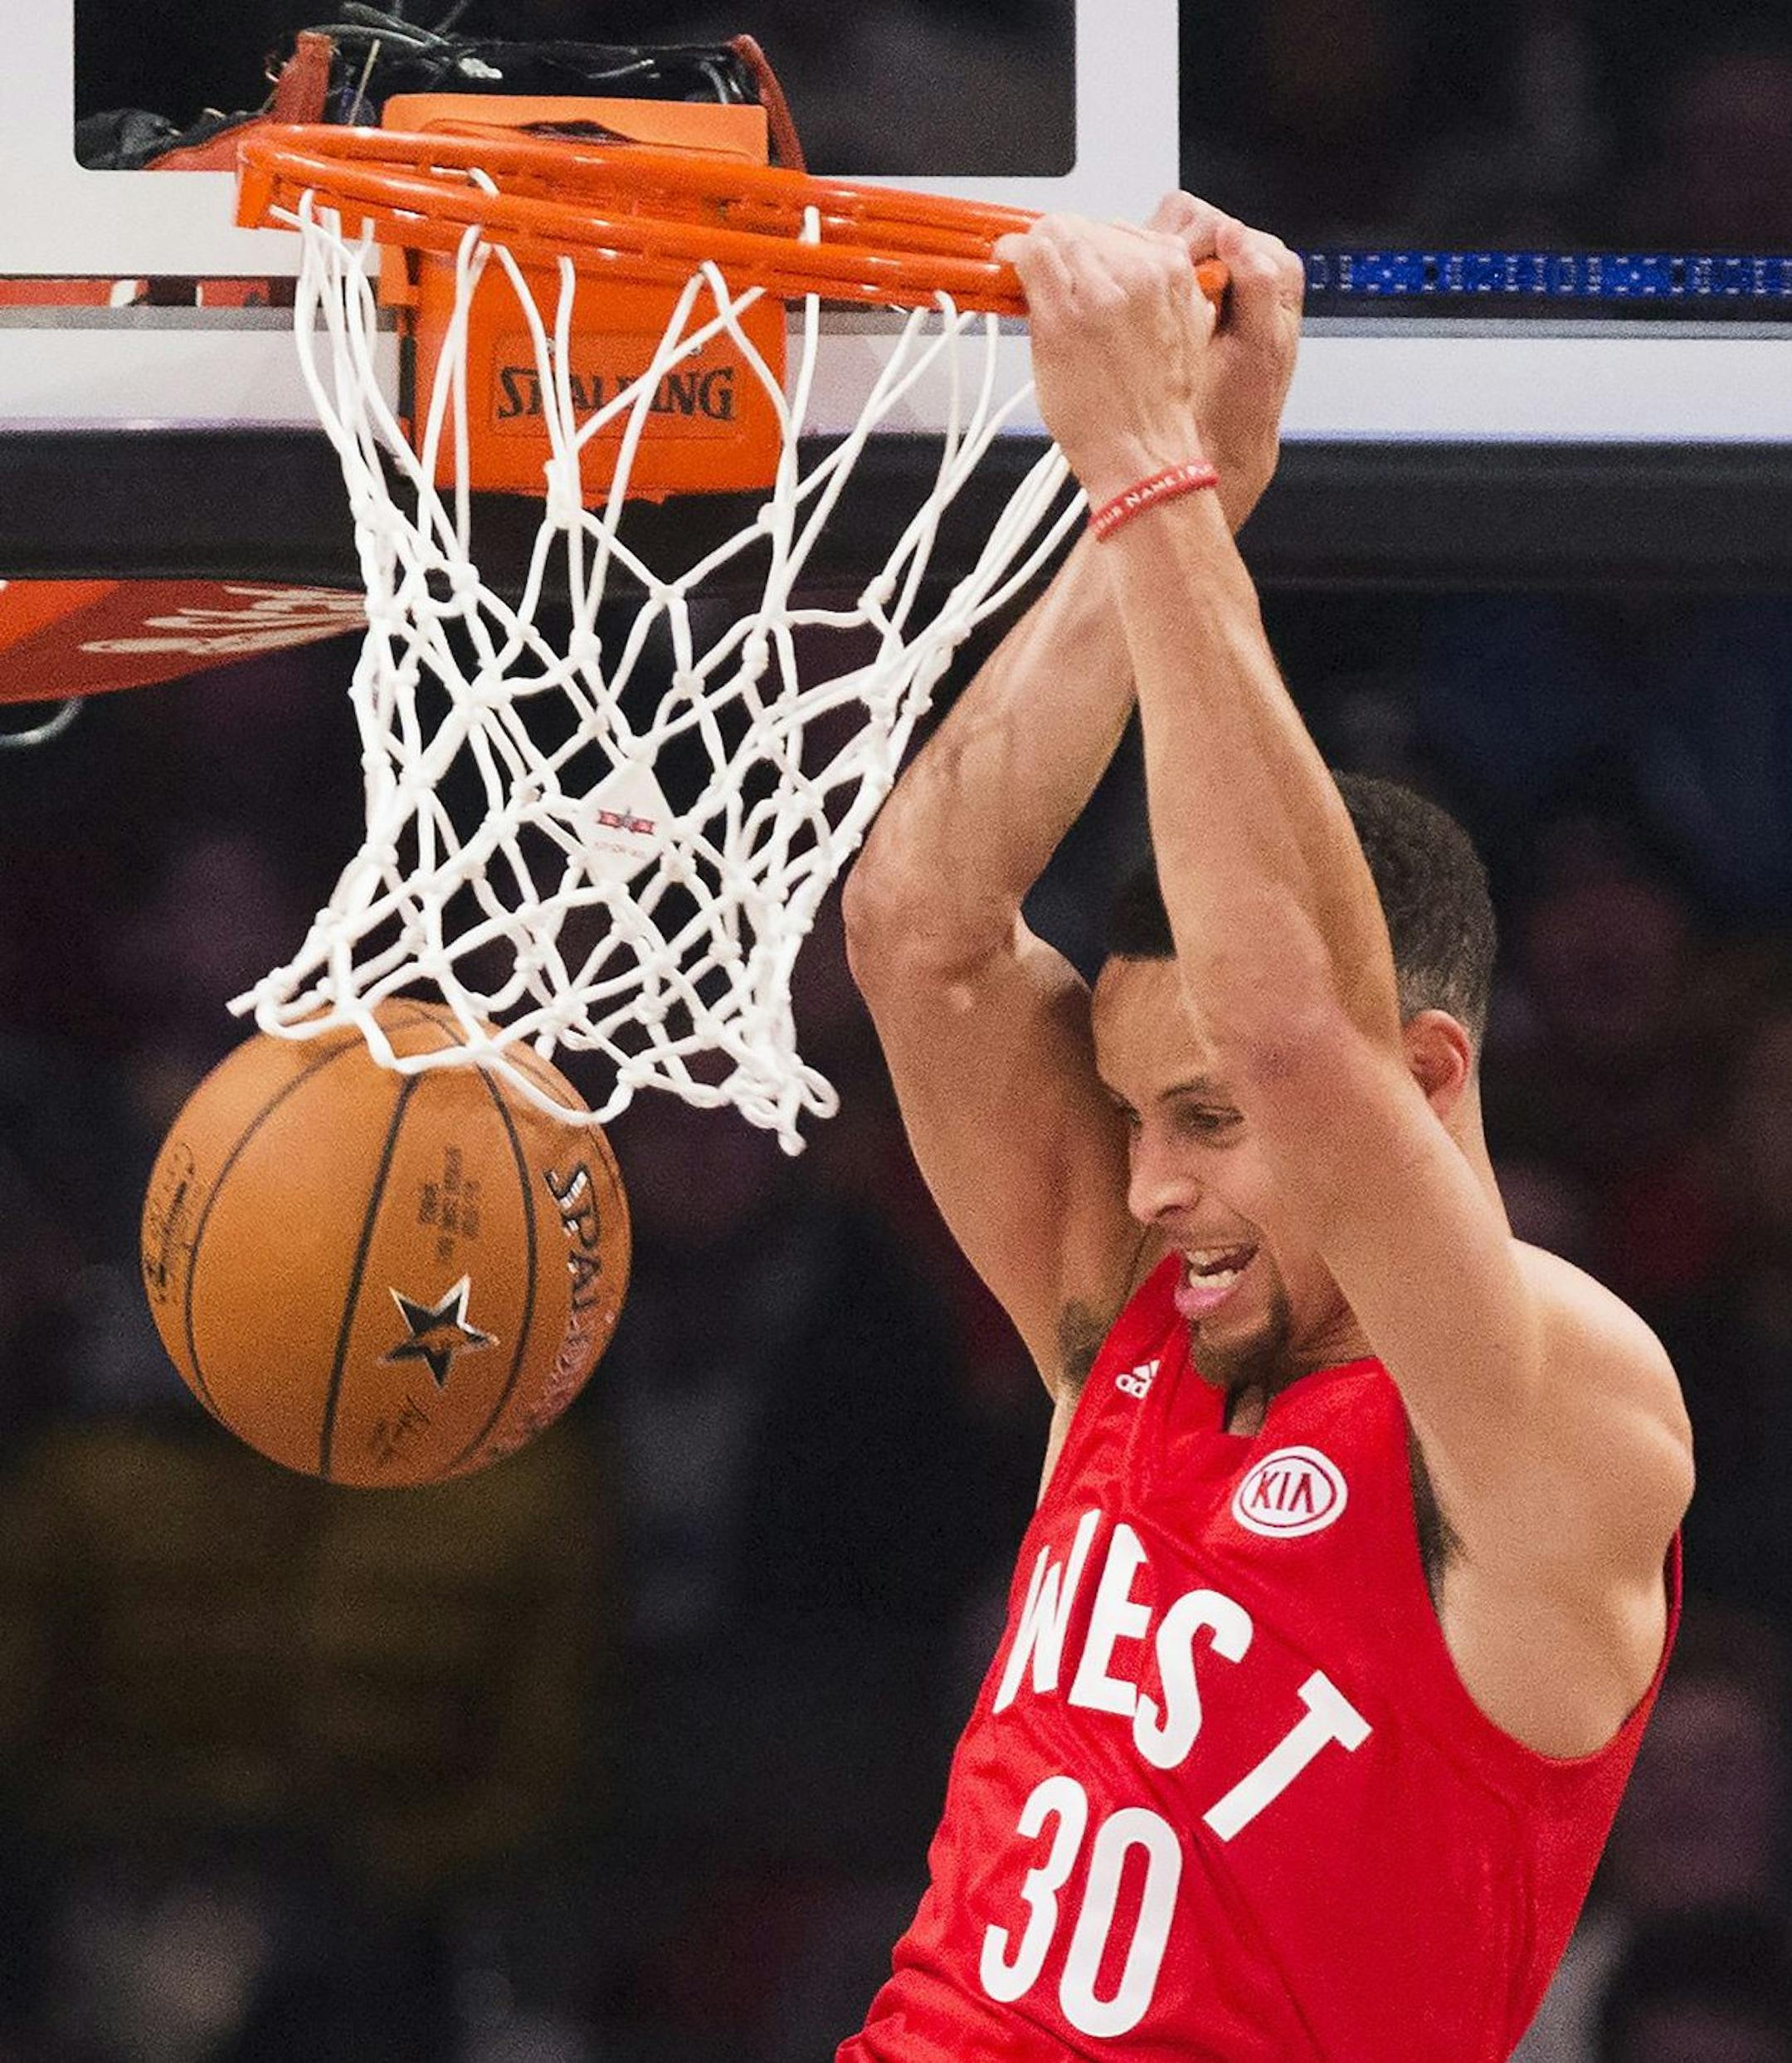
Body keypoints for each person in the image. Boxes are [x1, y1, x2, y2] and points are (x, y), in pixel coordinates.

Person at [835, 194, 1693, 2061]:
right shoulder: (1132, 1317)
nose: (1148, 1184)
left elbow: (1308, 1038)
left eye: (1202, 1119)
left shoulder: (1566, 1411)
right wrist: (1197, 489)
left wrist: (1142, 472)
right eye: (1137, 1114)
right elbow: (922, 928)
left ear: (1437, 1077)